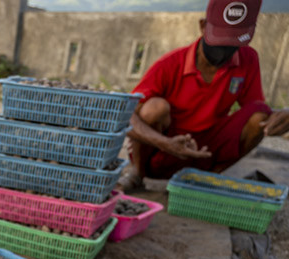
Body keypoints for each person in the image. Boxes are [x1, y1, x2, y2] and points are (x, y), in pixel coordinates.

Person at [119, 0, 289, 191]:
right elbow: (126, 114)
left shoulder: (248, 59)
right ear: (203, 26)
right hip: (162, 152)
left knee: (260, 114)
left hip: (207, 151)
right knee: (154, 108)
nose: (224, 52)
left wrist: (283, 117)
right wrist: (166, 143)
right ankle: (137, 173)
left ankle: (207, 179)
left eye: (233, 44)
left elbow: (258, 113)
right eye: (220, 41)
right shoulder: (171, 64)